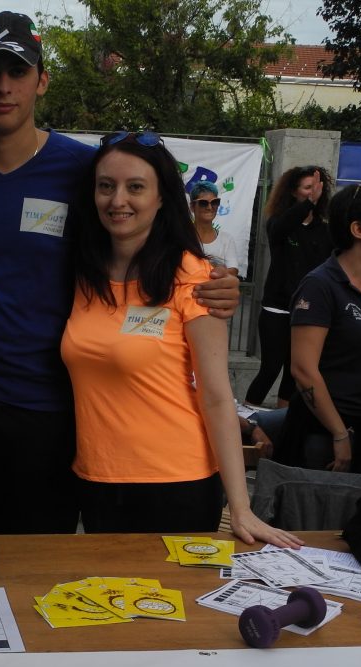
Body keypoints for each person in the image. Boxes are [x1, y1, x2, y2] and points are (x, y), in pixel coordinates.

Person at [0, 10, 241, 535]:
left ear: (42, 81)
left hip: (47, 413)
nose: (4, 87)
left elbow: (143, 233)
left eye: (18, 72)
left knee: (40, 566)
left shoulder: (80, 169)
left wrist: (211, 280)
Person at [61, 131, 297, 547]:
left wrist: (240, 507)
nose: (118, 200)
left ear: (161, 198)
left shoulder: (193, 277)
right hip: (96, 480)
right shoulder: (84, 275)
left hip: (176, 481)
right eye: (106, 186)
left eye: (136, 187)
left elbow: (217, 397)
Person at [274, 185, 361, 474]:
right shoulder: (319, 285)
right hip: (322, 435)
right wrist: (339, 433)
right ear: (359, 230)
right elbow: (303, 370)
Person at [244, 165, 333, 407]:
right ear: (294, 192)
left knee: (294, 371)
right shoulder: (279, 223)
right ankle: (245, 416)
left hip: (306, 311)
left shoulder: (324, 229)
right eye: (307, 188)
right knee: (270, 368)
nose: (313, 192)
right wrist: (308, 204)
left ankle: (281, 420)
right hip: (277, 309)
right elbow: (280, 228)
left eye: (316, 188)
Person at [189, 182, 239, 275]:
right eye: (203, 203)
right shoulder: (182, 238)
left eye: (214, 202)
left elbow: (233, 270)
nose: (209, 207)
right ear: (192, 207)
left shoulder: (227, 239)